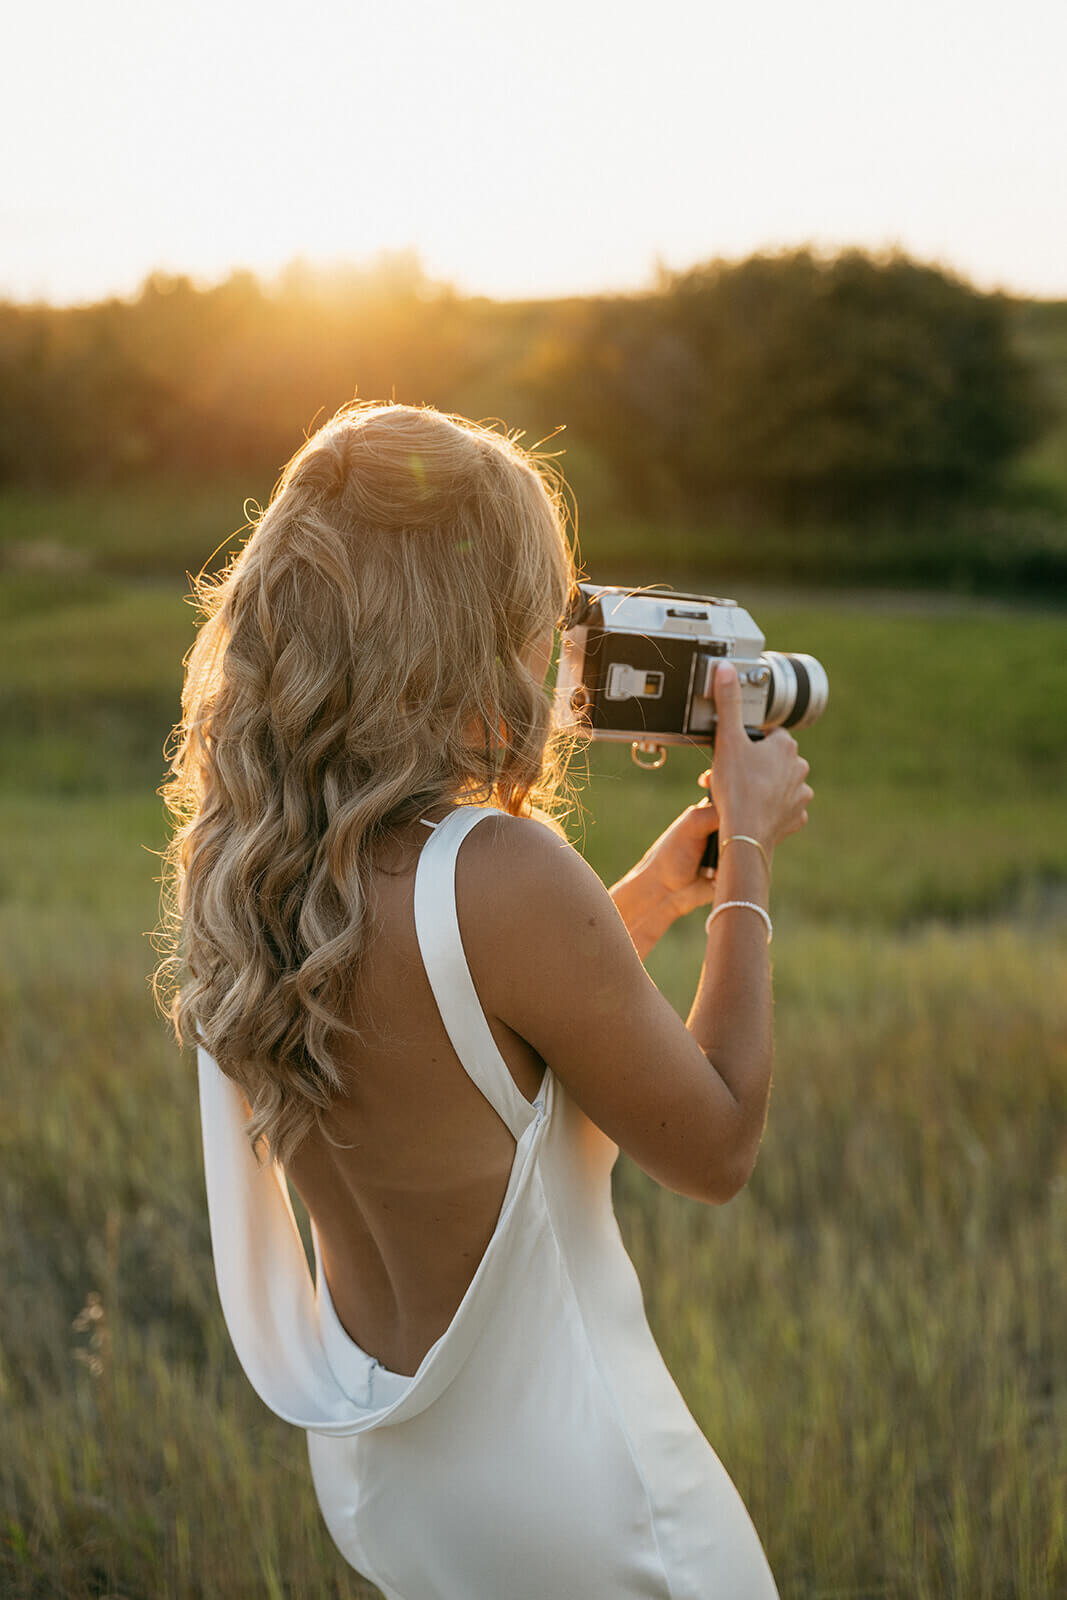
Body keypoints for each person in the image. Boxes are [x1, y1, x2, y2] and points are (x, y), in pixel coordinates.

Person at [157, 401, 812, 1598]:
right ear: (463, 621)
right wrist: (748, 852)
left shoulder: (249, 866)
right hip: (588, 1506)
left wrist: (658, 897)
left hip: (396, 1487)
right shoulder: (500, 869)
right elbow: (714, 1144)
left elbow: (469, 1047)